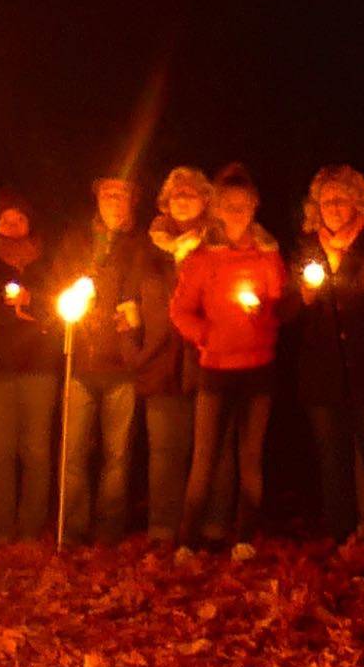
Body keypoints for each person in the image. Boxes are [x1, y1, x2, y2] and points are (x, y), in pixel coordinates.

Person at [172, 165, 287, 556]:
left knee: (250, 457)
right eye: (230, 205)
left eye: (244, 204)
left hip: (259, 367)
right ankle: (186, 540)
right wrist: (205, 335)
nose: (237, 211)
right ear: (218, 209)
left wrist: (264, 315)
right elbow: (180, 310)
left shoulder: (269, 252)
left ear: (254, 207)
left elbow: (277, 297)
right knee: (205, 457)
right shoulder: (202, 258)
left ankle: (244, 538)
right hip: (216, 368)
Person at [292, 165, 364, 545]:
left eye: (341, 200)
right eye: (326, 201)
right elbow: (293, 308)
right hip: (324, 371)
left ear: (357, 203)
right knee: (332, 460)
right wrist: (303, 298)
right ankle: (341, 536)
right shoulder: (309, 247)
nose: (334, 207)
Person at [54, 175, 165, 545]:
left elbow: (152, 294)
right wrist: (70, 309)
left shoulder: (142, 245)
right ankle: (70, 528)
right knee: (73, 453)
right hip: (82, 359)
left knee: (117, 456)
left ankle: (109, 530)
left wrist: (137, 319)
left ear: (133, 201)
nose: (114, 201)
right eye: (108, 194)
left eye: (122, 195)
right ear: (97, 198)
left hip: (122, 363)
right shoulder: (77, 242)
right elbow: (58, 286)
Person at [137, 167, 214, 550]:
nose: (183, 199)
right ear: (166, 202)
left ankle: (208, 526)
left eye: (192, 194)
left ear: (205, 201)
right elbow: (131, 298)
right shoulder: (149, 247)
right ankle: (163, 528)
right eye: (176, 194)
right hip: (160, 360)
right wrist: (134, 346)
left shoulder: (215, 244)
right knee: (164, 450)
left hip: (206, 359)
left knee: (209, 449)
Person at [0, 192, 59, 542]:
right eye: (5, 220)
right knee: (0, 451)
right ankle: (1, 529)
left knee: (37, 451)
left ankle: (30, 527)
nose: (13, 226)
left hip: (39, 364)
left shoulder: (46, 261)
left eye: (19, 219)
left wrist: (32, 302)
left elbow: (59, 304)